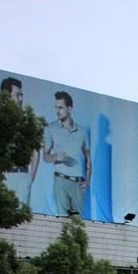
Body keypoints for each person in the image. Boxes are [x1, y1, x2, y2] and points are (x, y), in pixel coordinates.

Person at [42, 89, 90, 217]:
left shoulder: (82, 132)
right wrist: (55, 157)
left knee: (77, 222)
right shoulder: (50, 128)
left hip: (78, 182)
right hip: (61, 180)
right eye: (56, 108)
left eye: (61, 108)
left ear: (69, 108)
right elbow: (45, 156)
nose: (58, 111)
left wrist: (88, 181)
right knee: (62, 221)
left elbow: (88, 159)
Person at [0, 77, 39, 207]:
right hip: (5, 175)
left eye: (21, 95)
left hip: (22, 174)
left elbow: (36, 151)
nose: (21, 99)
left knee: (20, 219)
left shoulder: (27, 122)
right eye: (17, 95)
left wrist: (30, 178)